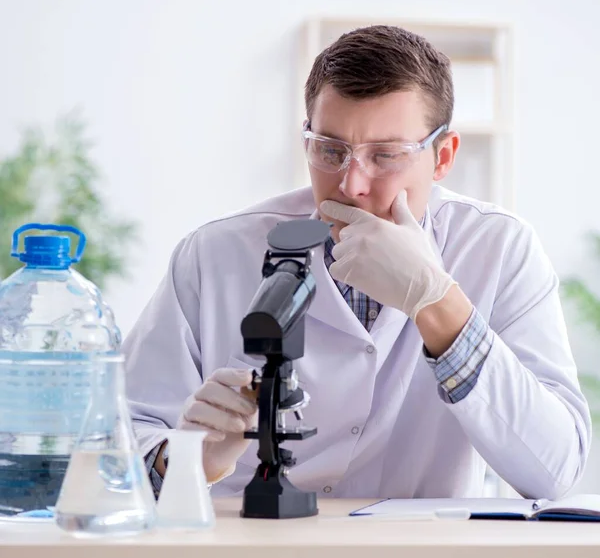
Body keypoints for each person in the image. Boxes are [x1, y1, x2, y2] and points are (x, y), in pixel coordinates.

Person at [123, 25, 591, 500]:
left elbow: (555, 471)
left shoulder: (498, 249)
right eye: (331, 150)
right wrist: (188, 459)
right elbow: (114, 456)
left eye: (385, 156)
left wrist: (438, 302)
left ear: (443, 156)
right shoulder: (214, 254)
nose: (351, 185)